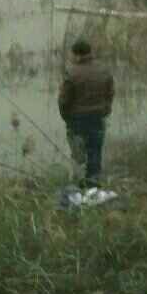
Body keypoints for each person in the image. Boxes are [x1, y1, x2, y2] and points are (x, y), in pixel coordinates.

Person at [57, 38, 114, 187]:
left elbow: (63, 101)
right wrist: (105, 111)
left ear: (76, 55)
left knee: (78, 155)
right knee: (95, 152)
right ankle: (93, 185)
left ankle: (78, 186)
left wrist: (66, 118)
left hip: (77, 120)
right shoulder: (104, 70)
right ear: (90, 53)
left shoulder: (71, 73)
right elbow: (110, 94)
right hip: (97, 118)